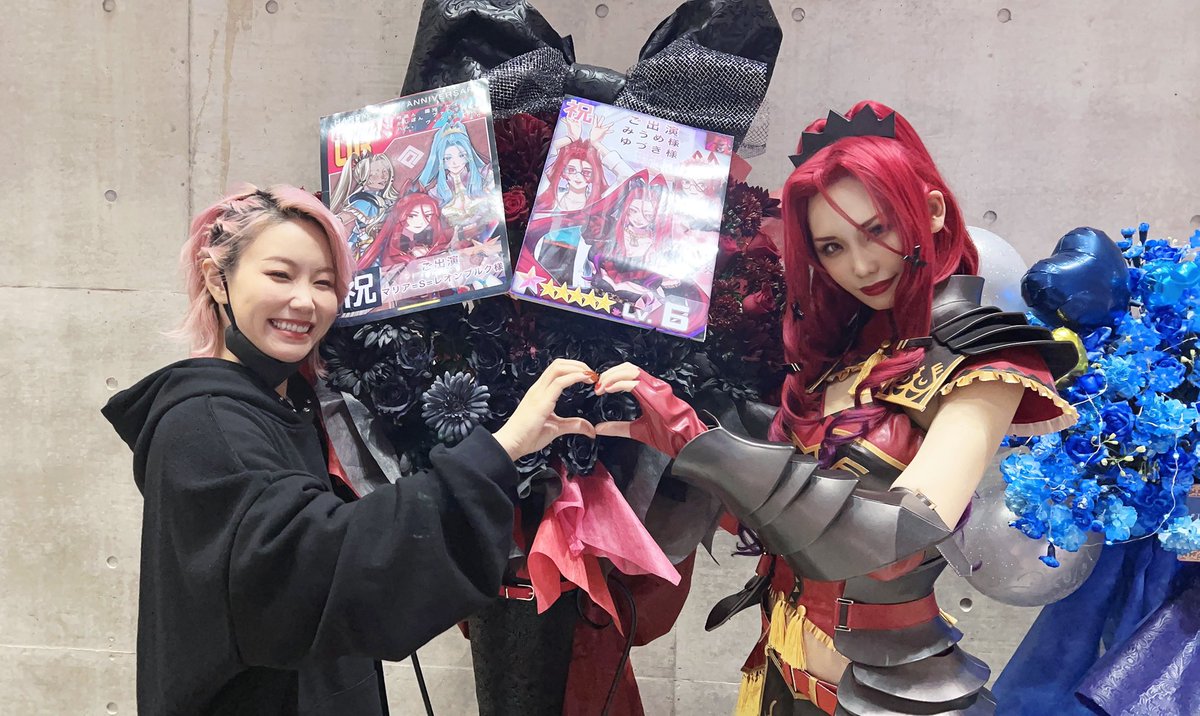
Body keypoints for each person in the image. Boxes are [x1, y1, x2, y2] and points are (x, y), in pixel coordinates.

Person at [594, 102, 1080, 715]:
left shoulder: (986, 357)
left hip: (893, 692)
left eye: (878, 229)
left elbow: (903, 530)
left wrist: (703, 443)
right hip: (781, 661)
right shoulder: (848, 354)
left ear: (932, 211)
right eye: (832, 246)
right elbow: (779, 512)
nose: (861, 265)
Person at [102, 185, 598, 716]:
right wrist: (499, 449)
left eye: (323, 283)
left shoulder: (285, 407)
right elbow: (316, 564)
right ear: (215, 278)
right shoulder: (206, 425)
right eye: (280, 275)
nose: (305, 302)